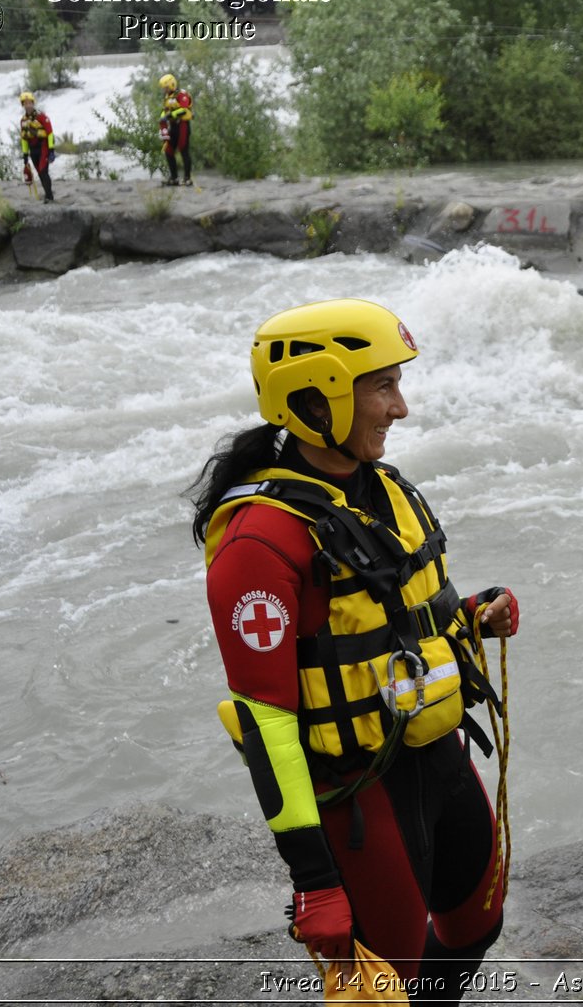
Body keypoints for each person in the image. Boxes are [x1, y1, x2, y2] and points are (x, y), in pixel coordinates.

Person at [189, 298, 519, 1005]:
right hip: (362, 795)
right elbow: (266, 723)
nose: (400, 407)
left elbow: (400, 616)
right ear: (316, 397)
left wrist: (471, 614)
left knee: (475, 926)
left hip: (440, 757)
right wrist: (314, 879)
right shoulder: (258, 542)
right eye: (383, 386)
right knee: (380, 986)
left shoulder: (383, 490)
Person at [18, 91, 54, 203]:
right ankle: (47, 195)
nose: (28, 105)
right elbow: (24, 138)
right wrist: (25, 154)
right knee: (39, 173)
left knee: (44, 171)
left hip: (43, 147)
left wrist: (51, 150)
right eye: (25, 103)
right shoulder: (23, 121)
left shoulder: (42, 117)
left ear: (33, 103)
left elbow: (50, 133)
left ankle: (49, 196)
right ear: (23, 105)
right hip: (33, 150)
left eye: (30, 103)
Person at [159, 72, 193, 187]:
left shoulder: (182, 95)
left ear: (172, 84)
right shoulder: (168, 97)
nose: (165, 90)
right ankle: (174, 178)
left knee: (184, 150)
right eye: (164, 88)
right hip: (173, 126)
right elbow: (165, 110)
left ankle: (187, 178)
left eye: (166, 87)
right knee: (168, 150)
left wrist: (169, 116)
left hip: (183, 125)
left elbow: (183, 110)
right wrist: (162, 118)